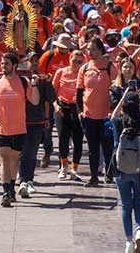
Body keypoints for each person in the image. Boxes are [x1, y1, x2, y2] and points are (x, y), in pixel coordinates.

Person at [0, 52, 40, 207]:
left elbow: (35, 100)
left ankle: (11, 188)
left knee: (13, 160)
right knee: (5, 159)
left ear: (14, 66)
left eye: (5, 64)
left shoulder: (24, 82)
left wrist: (34, 84)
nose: (2, 66)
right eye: (2, 63)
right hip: (0, 127)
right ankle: (6, 192)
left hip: (19, 128)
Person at [110, 88, 140, 253]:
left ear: (125, 106)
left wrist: (123, 98)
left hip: (121, 170)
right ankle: (139, 231)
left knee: (126, 206)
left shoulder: (119, 122)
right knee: (139, 202)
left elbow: (113, 115)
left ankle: (128, 242)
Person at [77, 37, 118, 187]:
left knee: (107, 147)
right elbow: (79, 91)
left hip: (105, 115)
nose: (90, 52)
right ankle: (93, 176)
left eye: (93, 49)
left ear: (101, 50)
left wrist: (112, 111)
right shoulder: (85, 68)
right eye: (89, 49)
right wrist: (80, 111)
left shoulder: (109, 67)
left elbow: (116, 90)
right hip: (89, 115)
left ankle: (109, 174)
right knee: (93, 148)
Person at [17, 52, 56, 198]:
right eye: (30, 60)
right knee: (22, 152)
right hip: (21, 120)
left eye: (36, 60)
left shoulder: (43, 80)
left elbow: (49, 99)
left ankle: (29, 180)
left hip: (37, 120)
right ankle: (22, 181)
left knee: (32, 153)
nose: (33, 63)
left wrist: (47, 118)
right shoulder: (20, 79)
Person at [52, 49, 85, 181]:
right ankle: (63, 166)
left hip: (77, 109)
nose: (77, 63)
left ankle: (74, 168)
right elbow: (52, 91)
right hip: (62, 107)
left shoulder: (83, 74)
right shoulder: (61, 72)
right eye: (74, 60)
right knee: (62, 138)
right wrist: (55, 105)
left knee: (78, 140)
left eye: (80, 62)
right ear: (69, 59)